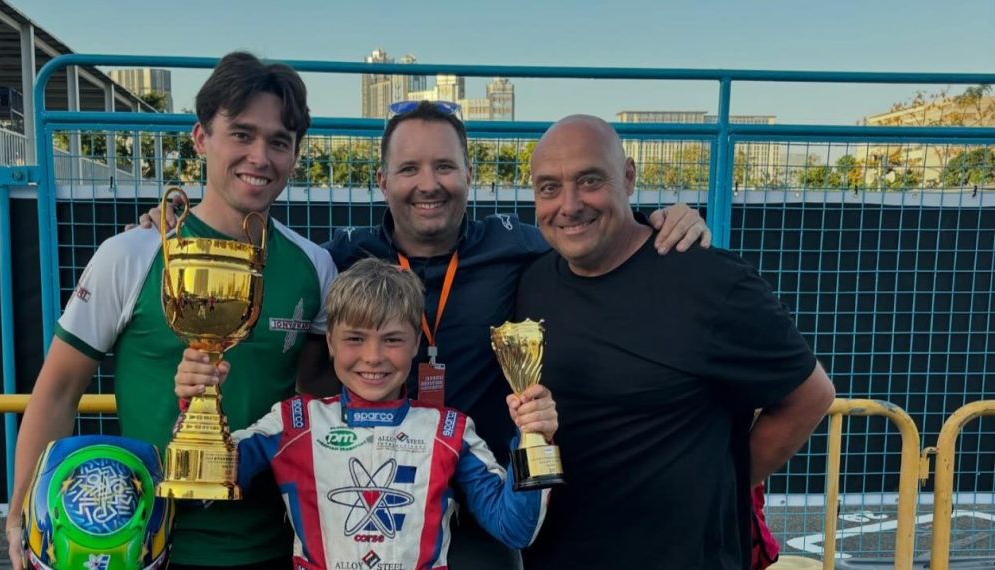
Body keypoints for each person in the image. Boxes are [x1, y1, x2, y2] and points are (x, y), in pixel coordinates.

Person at [140, 100, 711, 568]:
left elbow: (591, 231)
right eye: (409, 169)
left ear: (469, 175)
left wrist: (658, 219)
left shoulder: (521, 247)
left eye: (444, 167)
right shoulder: (341, 260)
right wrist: (165, 230)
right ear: (383, 180)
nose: (428, 185)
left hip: (475, 492)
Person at [7, 52, 338, 570]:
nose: (260, 156)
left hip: (276, 546)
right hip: (143, 547)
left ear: (296, 153)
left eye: (279, 141)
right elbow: (58, 390)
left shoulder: (315, 267)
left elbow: (317, 407)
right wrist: (22, 510)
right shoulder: (132, 253)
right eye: (242, 134)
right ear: (202, 138)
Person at [513, 115, 836, 569]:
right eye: (548, 187)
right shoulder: (531, 282)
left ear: (627, 177)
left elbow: (810, 397)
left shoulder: (709, 282)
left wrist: (724, 485)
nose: (569, 205)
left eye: (589, 180)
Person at [174, 258, 557, 569]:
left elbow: (515, 529)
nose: (373, 357)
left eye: (392, 340)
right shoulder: (293, 421)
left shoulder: (449, 429)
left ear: (415, 345)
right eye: (355, 338)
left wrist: (534, 436)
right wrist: (196, 404)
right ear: (330, 342)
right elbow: (199, 490)